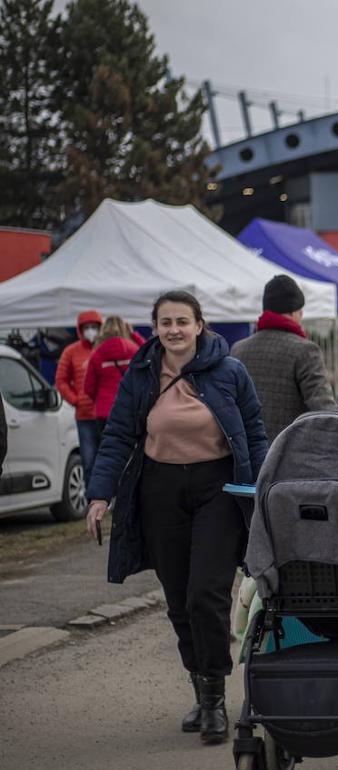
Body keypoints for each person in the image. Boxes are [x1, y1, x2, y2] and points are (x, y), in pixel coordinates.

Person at [84, 290, 266, 745]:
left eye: (182, 321)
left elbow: (256, 433)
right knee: (179, 599)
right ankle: (201, 688)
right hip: (159, 491)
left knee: (207, 591)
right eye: (165, 322)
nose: (174, 330)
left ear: (200, 325)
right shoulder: (141, 374)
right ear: (155, 328)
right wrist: (99, 494)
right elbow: (119, 435)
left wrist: (264, 488)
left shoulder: (229, 371)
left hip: (218, 490)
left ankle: (215, 699)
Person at [232, 275, 337, 439]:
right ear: (296, 312)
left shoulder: (238, 349)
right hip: (289, 452)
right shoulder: (305, 350)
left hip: (248, 451)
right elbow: (323, 409)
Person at [54, 310, 103, 485]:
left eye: (94, 327)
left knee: (110, 460)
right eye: (86, 327)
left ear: (100, 327)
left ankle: (113, 500)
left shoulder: (106, 347)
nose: (90, 330)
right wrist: (75, 400)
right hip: (85, 417)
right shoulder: (71, 352)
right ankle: (93, 502)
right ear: (80, 330)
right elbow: (61, 380)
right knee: (89, 461)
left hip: (108, 415)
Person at [83, 316, 141, 431]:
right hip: (130, 409)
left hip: (105, 411)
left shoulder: (97, 354)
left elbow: (88, 388)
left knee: (109, 447)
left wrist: (100, 398)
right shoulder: (134, 350)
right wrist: (134, 335)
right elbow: (149, 355)